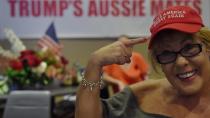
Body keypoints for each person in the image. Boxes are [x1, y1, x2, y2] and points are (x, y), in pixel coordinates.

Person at [75, 6, 210, 118]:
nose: (180, 62)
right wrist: (94, 63)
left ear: (207, 48)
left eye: (189, 48)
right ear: (160, 64)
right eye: (166, 53)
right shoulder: (139, 98)